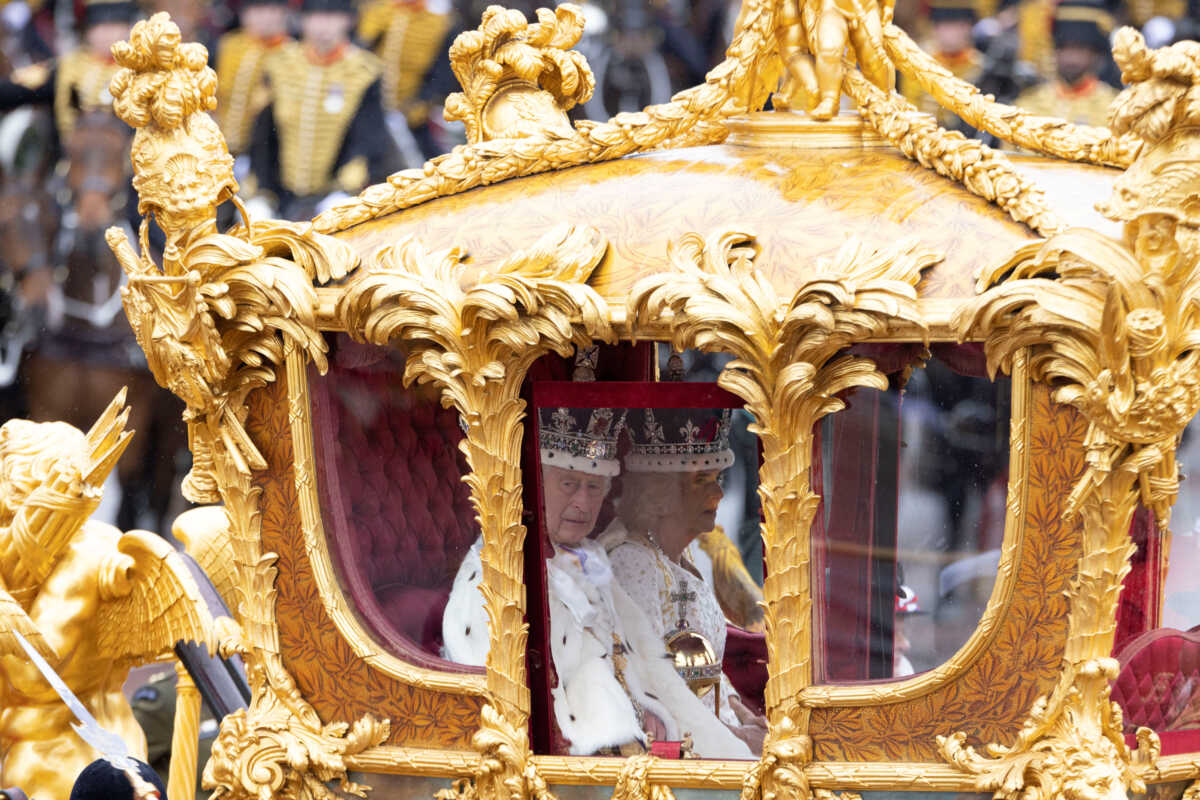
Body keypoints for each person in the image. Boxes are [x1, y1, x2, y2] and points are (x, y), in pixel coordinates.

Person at [442, 406, 751, 759]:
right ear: (535, 484)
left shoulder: (592, 563)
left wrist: (699, 736)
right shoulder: (496, 576)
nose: (583, 502)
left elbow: (647, 670)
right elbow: (528, 722)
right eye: (569, 485)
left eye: (593, 487)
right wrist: (630, 746)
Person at [601, 407, 766, 753]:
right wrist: (737, 741)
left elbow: (704, 668)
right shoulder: (632, 564)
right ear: (661, 495)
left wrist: (742, 714)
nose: (718, 495)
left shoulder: (680, 557)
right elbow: (654, 693)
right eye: (702, 482)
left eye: (718, 480)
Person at [247, 0, 400, 219]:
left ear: (348, 20)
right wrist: (261, 190)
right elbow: (263, 132)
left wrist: (345, 190)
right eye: (315, 17)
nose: (323, 26)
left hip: (337, 191)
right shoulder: (278, 65)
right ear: (302, 21)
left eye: (332, 17)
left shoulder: (366, 70)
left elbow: (369, 136)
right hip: (280, 190)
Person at [0, 0, 139, 146]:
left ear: (128, 29)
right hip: (69, 161)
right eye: (99, 26)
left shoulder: (142, 73)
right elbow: (15, 90)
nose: (106, 34)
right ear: (87, 31)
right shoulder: (67, 69)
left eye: (114, 26)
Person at [357, 0, 454, 161]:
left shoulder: (440, 23)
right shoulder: (377, 12)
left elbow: (441, 74)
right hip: (371, 111)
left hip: (411, 114)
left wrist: (420, 103)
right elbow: (360, 55)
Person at [1013, 0, 1119, 127]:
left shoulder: (1114, 108)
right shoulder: (1027, 105)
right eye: (1065, 49)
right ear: (1055, 51)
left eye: (1079, 50)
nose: (1071, 58)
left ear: (1094, 55)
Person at [214, 0, 291, 157]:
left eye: (272, 11)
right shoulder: (229, 45)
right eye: (257, 11)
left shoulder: (290, 53)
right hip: (219, 145)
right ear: (245, 15)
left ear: (283, 15)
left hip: (263, 151)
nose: (265, 18)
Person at [900, 0, 982, 132]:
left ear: (968, 28)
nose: (952, 33)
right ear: (935, 28)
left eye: (960, 26)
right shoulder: (918, 60)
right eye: (946, 26)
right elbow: (909, 106)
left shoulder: (979, 66)